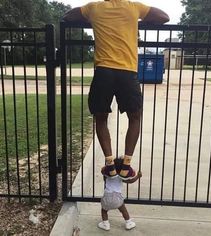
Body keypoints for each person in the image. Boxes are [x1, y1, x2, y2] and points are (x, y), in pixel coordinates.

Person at [63, 1, 169, 180]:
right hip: (127, 73)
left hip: (103, 71)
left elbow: (68, 16)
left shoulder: (94, 8)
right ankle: (126, 166)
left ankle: (110, 165)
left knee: (101, 118)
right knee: (135, 117)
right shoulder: (133, 7)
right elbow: (164, 17)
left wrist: (92, 20)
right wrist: (137, 22)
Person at [99, 158, 142, 231]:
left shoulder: (108, 175)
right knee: (123, 210)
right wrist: (138, 176)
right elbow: (130, 181)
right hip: (117, 197)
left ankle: (105, 224)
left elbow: (103, 172)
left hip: (107, 196)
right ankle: (128, 223)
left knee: (104, 210)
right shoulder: (121, 177)